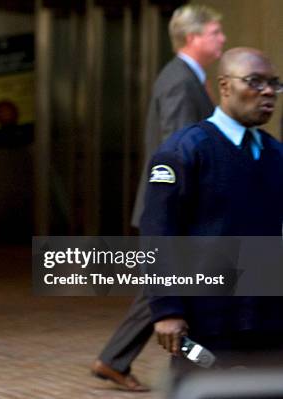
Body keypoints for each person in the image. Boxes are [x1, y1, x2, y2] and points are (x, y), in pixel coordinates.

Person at [91, 4, 226, 391]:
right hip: (179, 209)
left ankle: (114, 359)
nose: (222, 38)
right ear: (193, 37)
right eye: (216, 32)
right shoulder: (180, 81)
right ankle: (190, 368)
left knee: (163, 289)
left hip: (177, 209)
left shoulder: (186, 77)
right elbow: (181, 146)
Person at [143, 47, 283, 376]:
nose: (267, 92)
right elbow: (158, 236)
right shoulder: (185, 151)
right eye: (255, 81)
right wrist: (166, 310)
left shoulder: (275, 155)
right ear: (224, 86)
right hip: (207, 322)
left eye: (274, 84)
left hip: (269, 321)